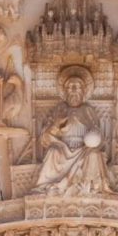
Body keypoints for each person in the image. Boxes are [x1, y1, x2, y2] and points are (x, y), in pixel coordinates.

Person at [34, 67, 112, 196]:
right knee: (53, 152)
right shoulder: (60, 109)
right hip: (62, 148)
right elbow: (45, 138)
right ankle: (49, 185)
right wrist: (56, 125)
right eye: (70, 87)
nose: (74, 90)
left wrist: (95, 137)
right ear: (65, 91)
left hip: (84, 149)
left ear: (84, 91)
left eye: (78, 87)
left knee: (94, 155)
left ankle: (90, 187)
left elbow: (97, 134)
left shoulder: (88, 110)